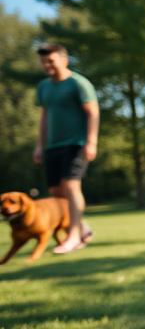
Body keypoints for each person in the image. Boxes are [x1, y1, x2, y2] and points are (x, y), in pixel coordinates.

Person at [33, 43, 98, 254]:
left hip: (76, 143)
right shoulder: (44, 87)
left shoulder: (78, 84)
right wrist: (40, 145)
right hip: (53, 145)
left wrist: (91, 141)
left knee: (71, 186)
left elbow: (93, 113)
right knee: (56, 192)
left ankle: (73, 236)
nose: (46, 65)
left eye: (50, 60)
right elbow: (44, 118)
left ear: (64, 59)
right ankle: (83, 228)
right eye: (43, 61)